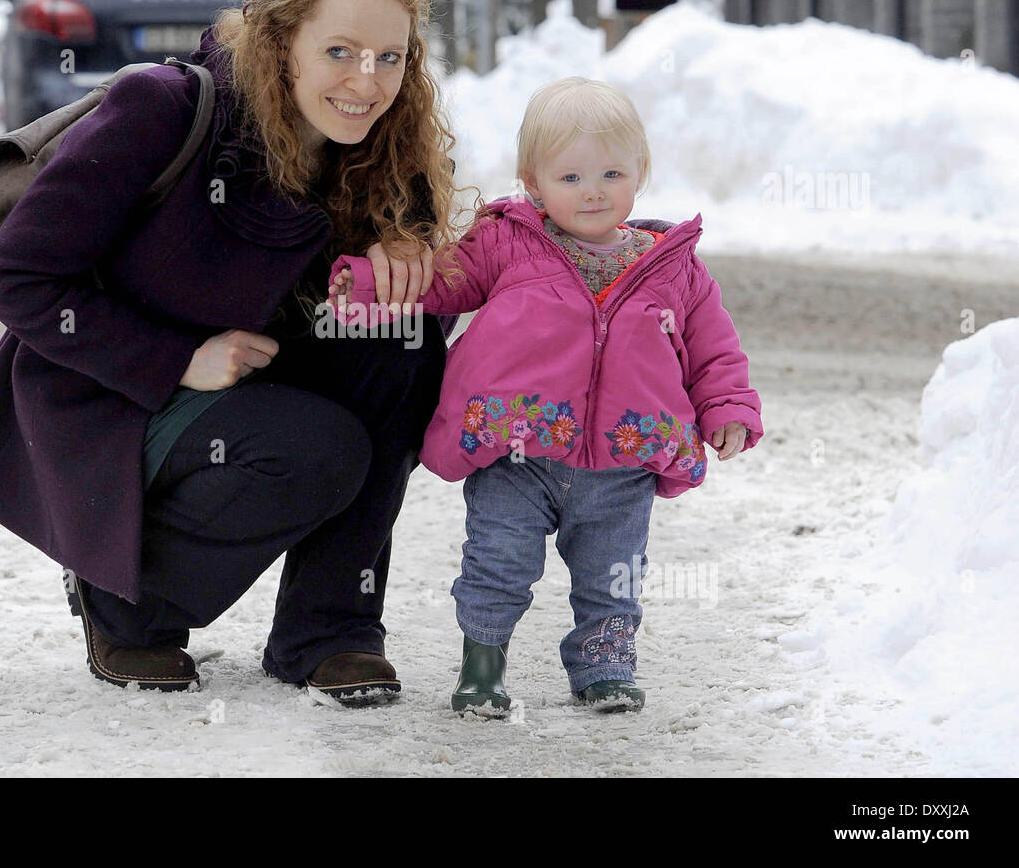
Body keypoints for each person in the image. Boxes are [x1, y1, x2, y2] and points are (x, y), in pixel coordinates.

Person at [0, 0, 465, 705]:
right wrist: (176, 357)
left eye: (391, 57)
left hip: (240, 375)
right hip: (116, 394)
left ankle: (330, 629)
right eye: (341, 52)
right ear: (281, 40)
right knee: (321, 450)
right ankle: (123, 603)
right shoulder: (164, 111)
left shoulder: (382, 149)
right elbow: (16, 277)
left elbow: (403, 335)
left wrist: (401, 254)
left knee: (401, 342)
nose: (368, 80)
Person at [327, 76, 764, 714]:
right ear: (532, 183)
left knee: (613, 579)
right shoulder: (507, 243)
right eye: (570, 178)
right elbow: (445, 281)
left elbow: (713, 348)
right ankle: (482, 665)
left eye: (612, 173)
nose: (593, 191)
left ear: (640, 172)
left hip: (623, 461)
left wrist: (728, 408)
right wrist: (369, 284)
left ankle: (604, 668)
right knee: (498, 564)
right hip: (515, 453)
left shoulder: (673, 266)